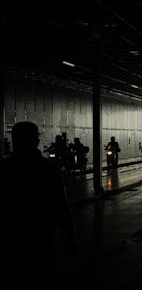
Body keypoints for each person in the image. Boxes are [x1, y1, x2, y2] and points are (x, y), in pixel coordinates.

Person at [0, 121, 78, 288]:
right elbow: (62, 204)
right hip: (42, 231)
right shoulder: (48, 168)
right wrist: (71, 236)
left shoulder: (5, 169)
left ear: (14, 141)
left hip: (11, 234)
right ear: (36, 141)